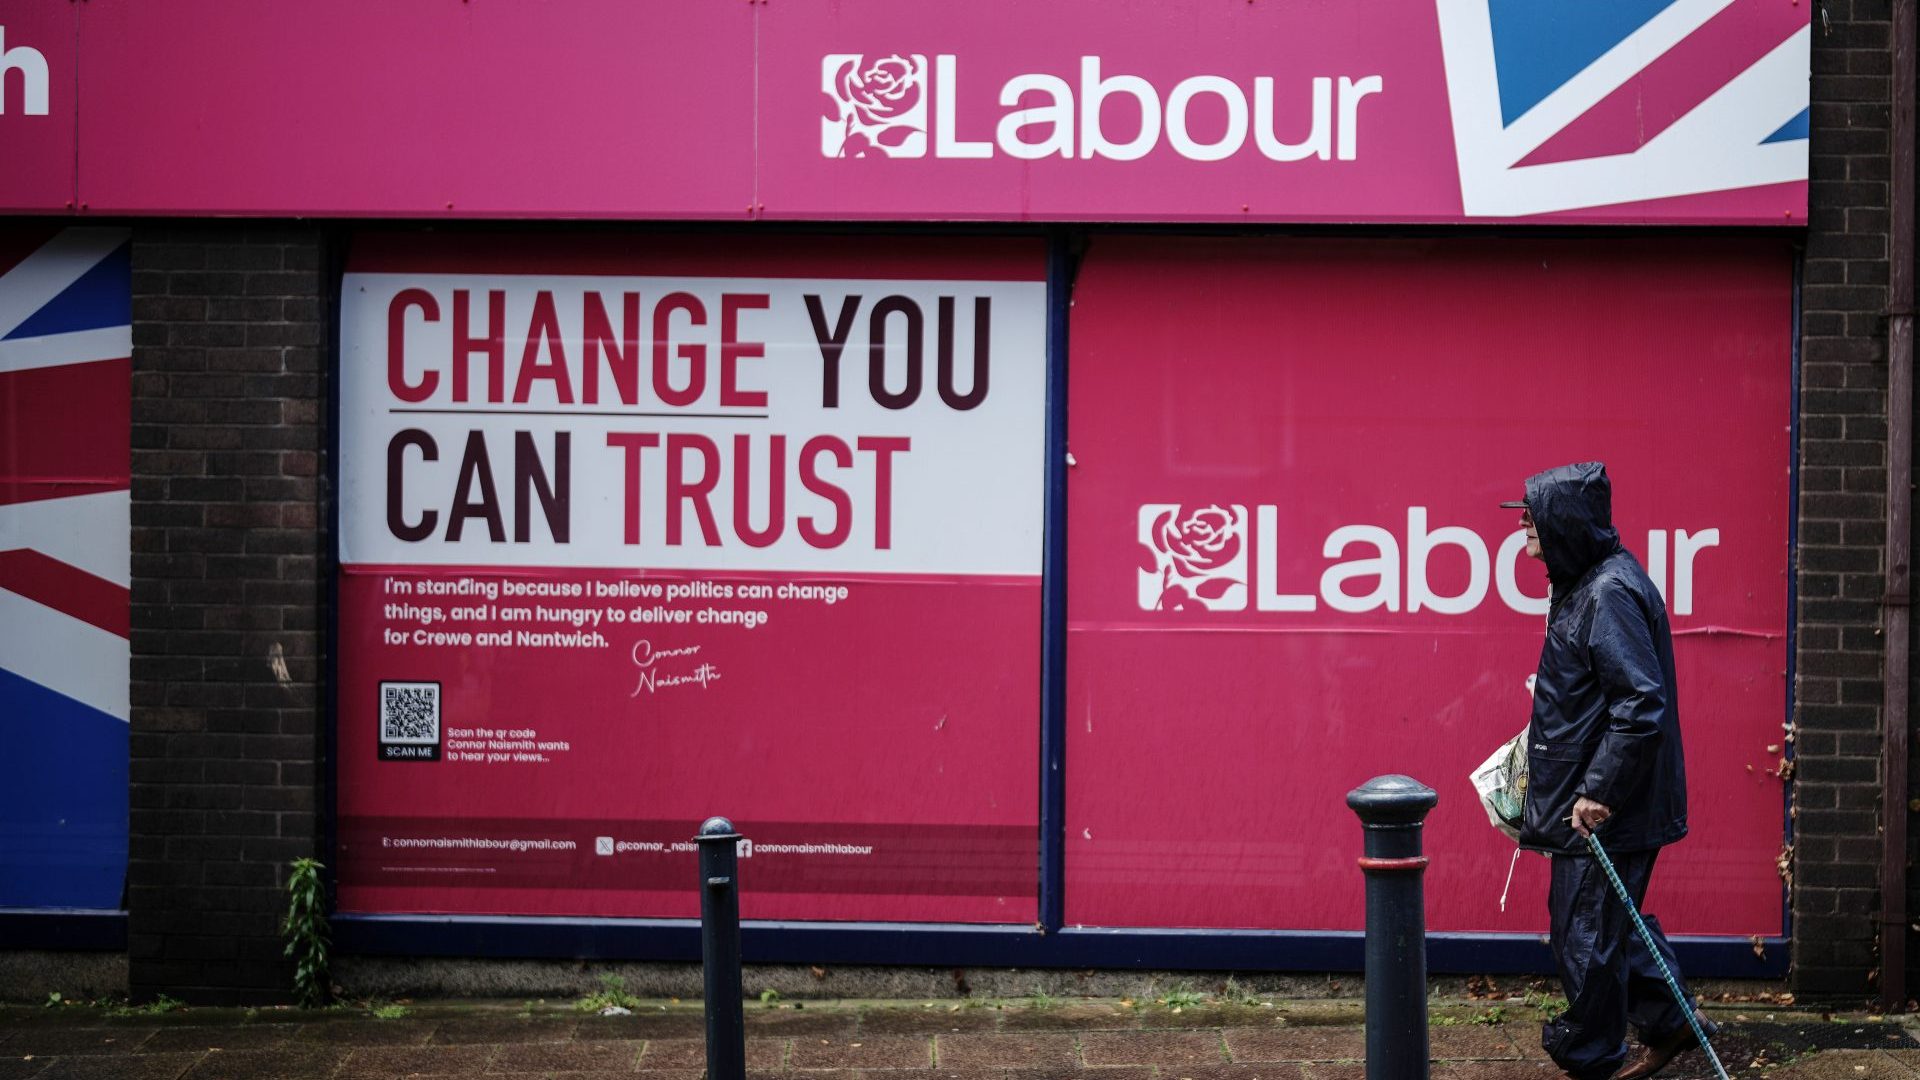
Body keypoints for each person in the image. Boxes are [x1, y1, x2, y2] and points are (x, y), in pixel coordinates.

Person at [1502, 462, 1713, 1080]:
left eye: (1532, 514)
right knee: (1603, 925)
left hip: (1605, 806)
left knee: (1586, 936)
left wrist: (1598, 790)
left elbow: (1641, 703)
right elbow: (1614, 692)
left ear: (1564, 520)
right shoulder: (1588, 583)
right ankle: (1672, 1022)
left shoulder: (1606, 592)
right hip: (1600, 797)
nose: (1522, 527)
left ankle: (1593, 1062)